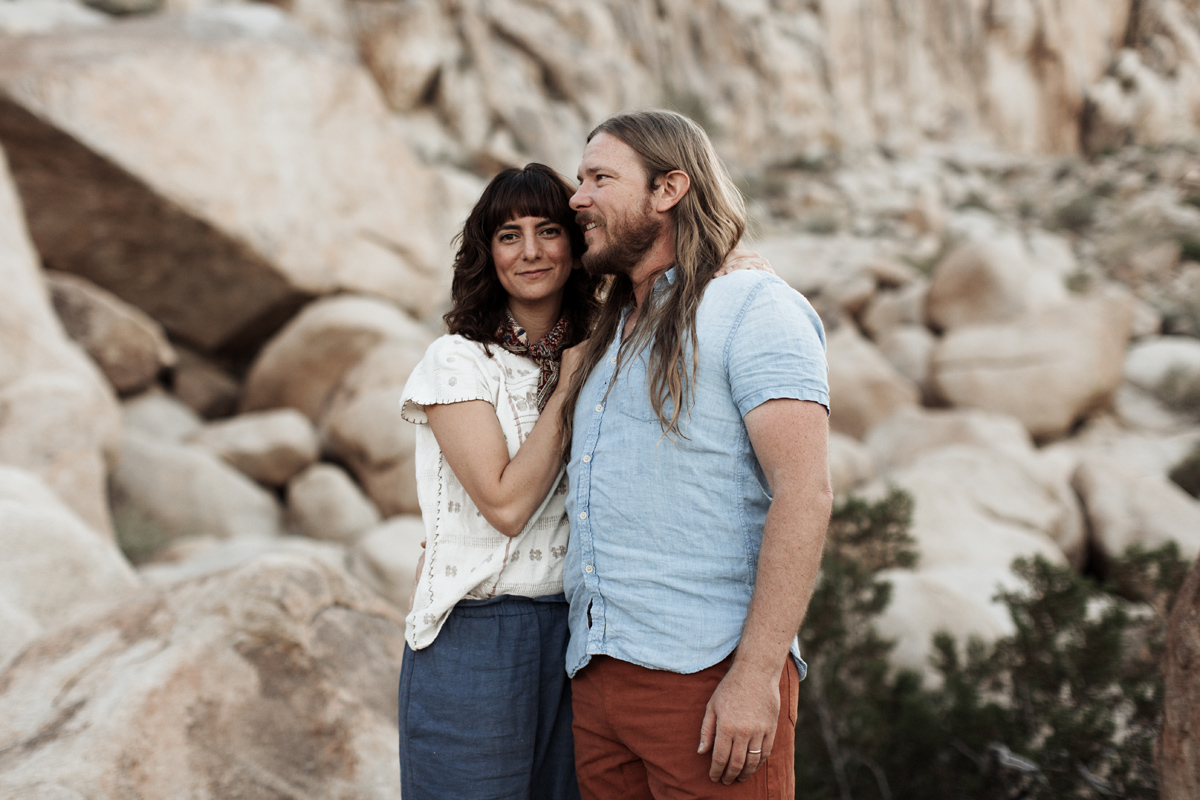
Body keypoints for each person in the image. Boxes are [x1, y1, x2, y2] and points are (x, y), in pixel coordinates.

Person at [396, 161, 770, 799]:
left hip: (583, 636)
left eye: (549, 230)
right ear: (487, 254)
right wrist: (570, 385)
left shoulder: (612, 343)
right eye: (509, 235)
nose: (532, 251)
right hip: (476, 636)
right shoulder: (458, 361)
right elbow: (506, 504)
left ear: (577, 244)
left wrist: (730, 266)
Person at [558, 109, 833, 799]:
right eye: (578, 179)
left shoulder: (754, 308)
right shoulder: (612, 329)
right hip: (599, 683)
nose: (577, 198)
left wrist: (754, 676)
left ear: (668, 189)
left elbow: (805, 493)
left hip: (709, 687)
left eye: (600, 178)